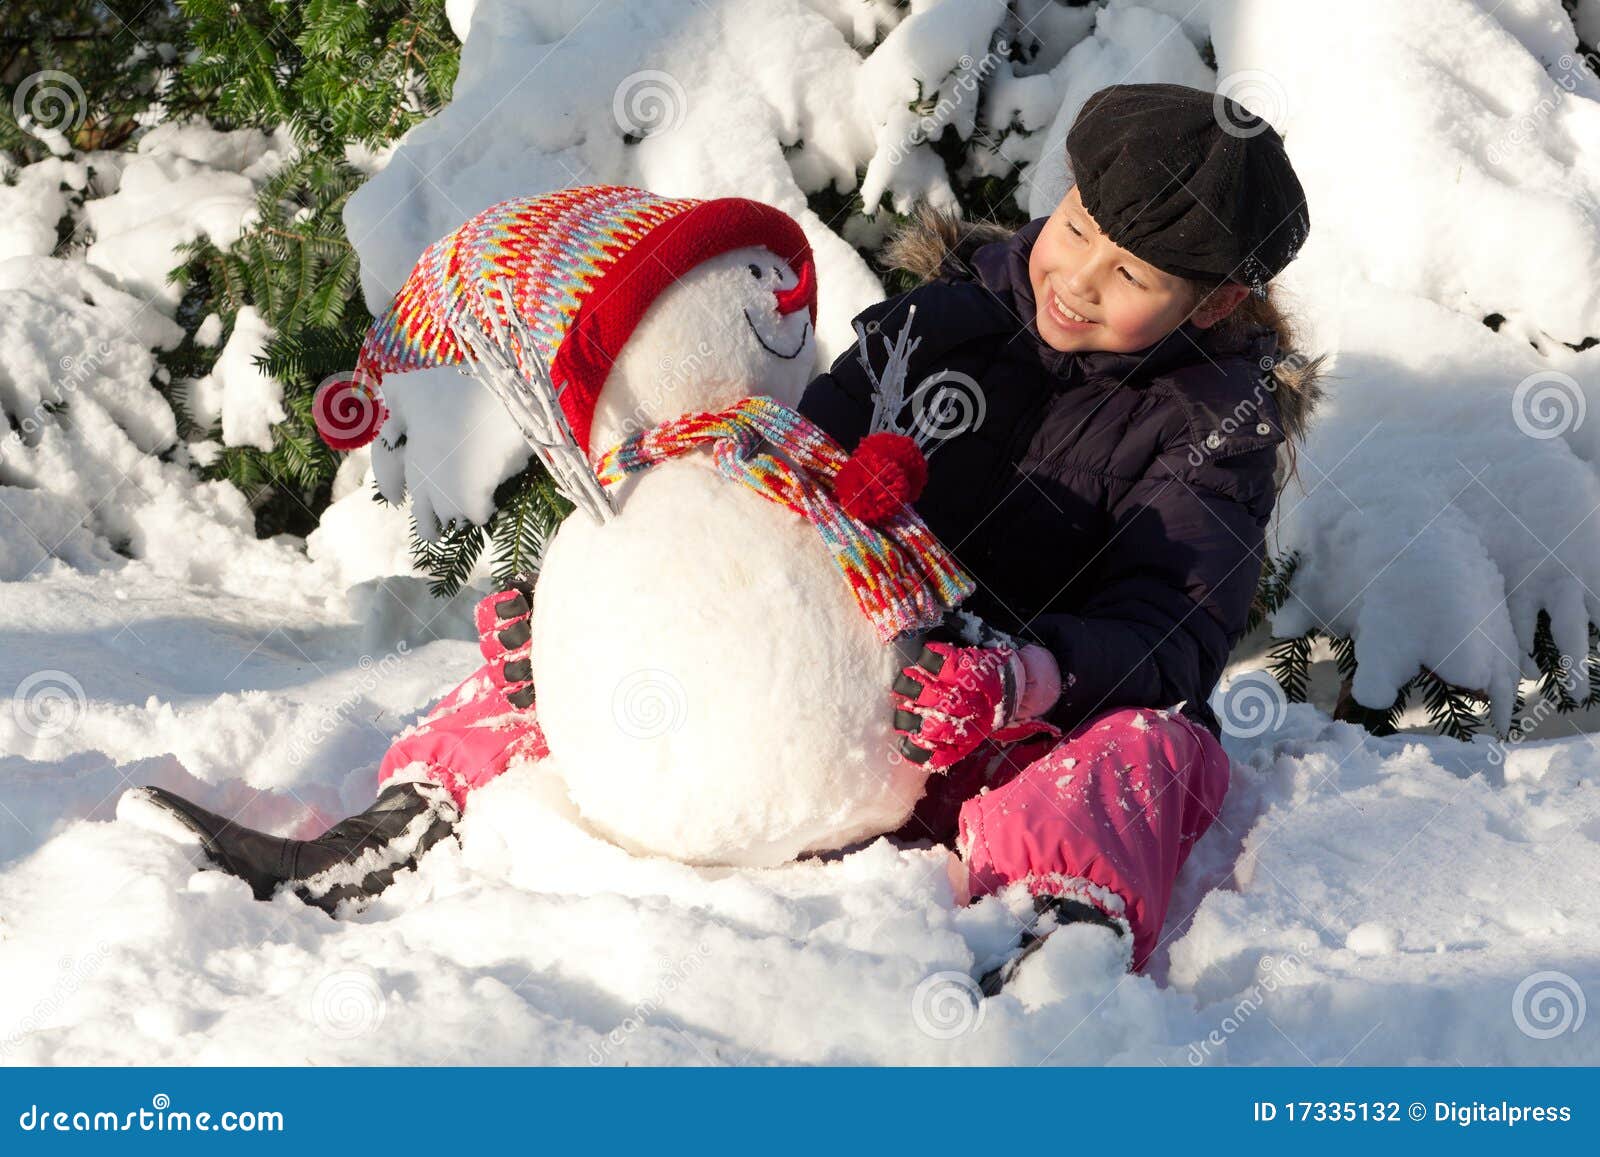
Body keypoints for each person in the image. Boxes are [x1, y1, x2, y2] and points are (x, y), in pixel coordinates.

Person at [133, 82, 1324, 991]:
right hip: (829, 685)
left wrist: (1026, 674)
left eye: (1130, 275)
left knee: (1140, 749)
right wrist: (596, 619)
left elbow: (1174, 623)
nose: (1076, 278)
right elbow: (771, 476)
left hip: (1000, 718)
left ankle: (1053, 942)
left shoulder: (1212, 422)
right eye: (1075, 231)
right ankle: (377, 839)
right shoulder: (944, 316)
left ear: (1214, 301)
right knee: (533, 679)